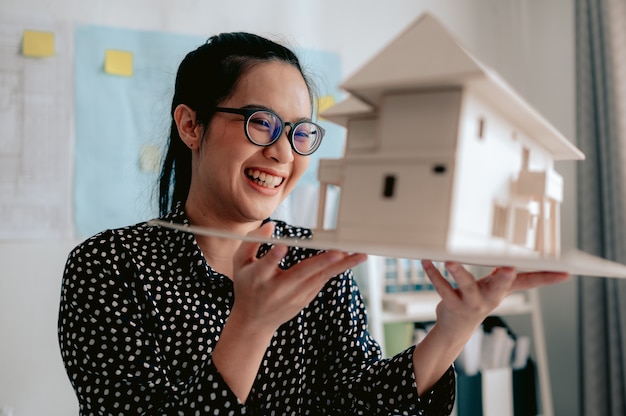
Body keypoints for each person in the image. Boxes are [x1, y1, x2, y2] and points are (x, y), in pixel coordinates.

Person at [58, 32, 569, 415]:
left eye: (301, 131)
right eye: (261, 122)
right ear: (192, 125)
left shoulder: (311, 257)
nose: (283, 152)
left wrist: (454, 328)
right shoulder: (108, 266)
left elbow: (357, 400)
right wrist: (250, 325)